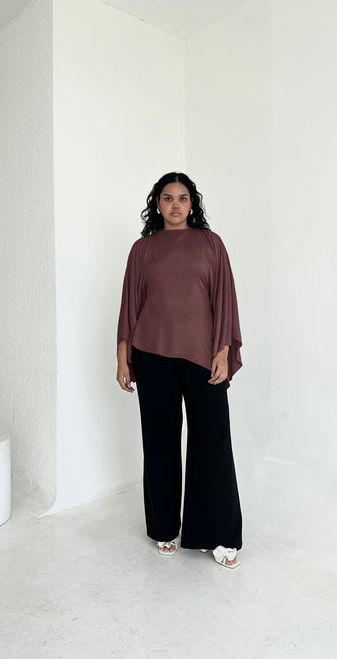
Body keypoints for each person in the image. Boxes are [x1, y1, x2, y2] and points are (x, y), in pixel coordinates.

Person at [116, 172, 243, 569]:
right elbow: (130, 304)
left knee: (212, 442)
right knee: (159, 441)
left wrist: (223, 350)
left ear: (192, 204)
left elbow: (224, 299)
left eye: (183, 198)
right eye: (168, 198)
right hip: (152, 354)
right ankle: (165, 527)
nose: (175, 204)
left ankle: (217, 534)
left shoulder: (210, 244)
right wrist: (122, 357)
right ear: (157, 204)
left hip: (203, 356)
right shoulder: (142, 250)